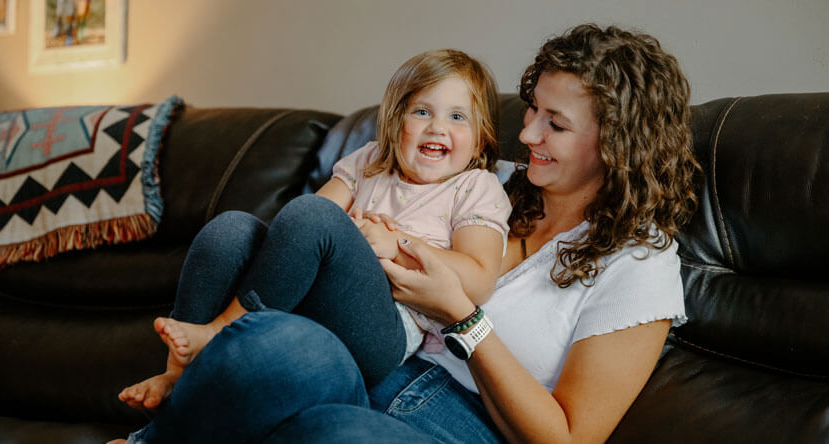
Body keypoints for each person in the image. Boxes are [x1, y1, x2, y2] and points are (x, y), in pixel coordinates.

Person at [111, 23, 701, 444]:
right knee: (274, 341)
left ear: (618, 143)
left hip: (461, 420)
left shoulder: (640, 262)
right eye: (531, 111)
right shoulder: (485, 178)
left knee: (328, 432)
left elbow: (569, 437)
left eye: (555, 124)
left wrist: (465, 322)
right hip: (371, 358)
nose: (526, 135)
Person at [118, 49, 511, 410]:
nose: (437, 128)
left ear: (480, 140)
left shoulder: (475, 186)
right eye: (422, 112)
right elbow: (301, 222)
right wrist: (352, 232)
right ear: (395, 122)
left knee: (315, 217)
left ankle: (222, 331)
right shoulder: (370, 162)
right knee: (231, 229)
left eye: (457, 117)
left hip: (385, 332)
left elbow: (478, 280)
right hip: (314, 304)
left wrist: (397, 244)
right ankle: (177, 373)